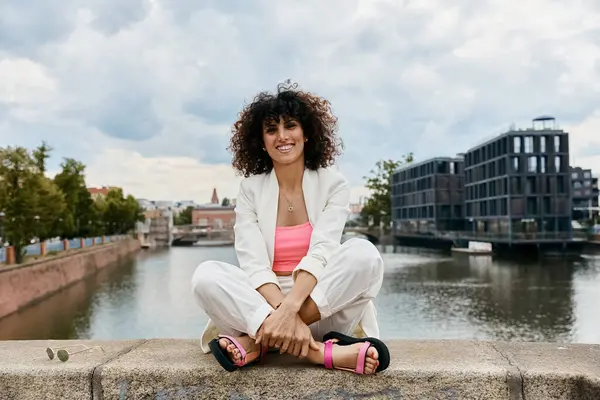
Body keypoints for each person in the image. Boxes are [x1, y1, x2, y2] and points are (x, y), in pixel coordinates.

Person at [191, 81, 390, 375]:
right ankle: (318, 351)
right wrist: (280, 311)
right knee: (204, 276)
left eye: (290, 126)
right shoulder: (250, 189)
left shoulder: (333, 183)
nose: (282, 136)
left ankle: (261, 342)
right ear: (261, 140)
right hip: (264, 302)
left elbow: (323, 252)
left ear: (306, 133)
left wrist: (289, 312)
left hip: (320, 303)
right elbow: (253, 264)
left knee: (365, 255)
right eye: (271, 129)